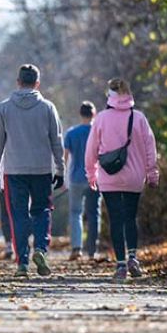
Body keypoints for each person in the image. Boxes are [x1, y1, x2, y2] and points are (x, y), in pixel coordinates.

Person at [0, 64, 65, 278]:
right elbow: (57, 140)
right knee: (42, 210)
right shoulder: (48, 107)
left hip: (14, 171)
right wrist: (60, 169)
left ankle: (22, 261)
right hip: (41, 169)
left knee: (18, 215)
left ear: (18, 82)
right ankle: (40, 248)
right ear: (37, 83)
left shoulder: (4, 108)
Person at [86, 78, 159, 281]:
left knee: (116, 219)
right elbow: (150, 148)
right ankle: (133, 257)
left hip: (109, 177)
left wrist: (91, 174)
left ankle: (120, 265)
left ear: (110, 96)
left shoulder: (101, 118)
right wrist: (152, 174)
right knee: (130, 217)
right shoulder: (139, 118)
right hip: (135, 177)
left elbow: (91, 149)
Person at [63, 101, 103, 261]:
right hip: (95, 178)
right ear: (94, 114)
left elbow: (64, 157)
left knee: (75, 213)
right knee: (94, 214)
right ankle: (92, 251)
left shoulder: (72, 133)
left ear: (80, 114)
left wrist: (63, 178)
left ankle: (77, 248)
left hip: (75, 179)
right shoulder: (99, 132)